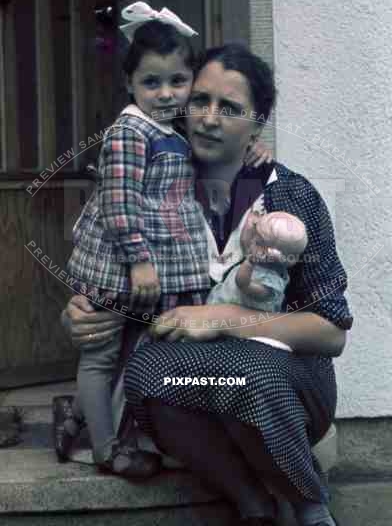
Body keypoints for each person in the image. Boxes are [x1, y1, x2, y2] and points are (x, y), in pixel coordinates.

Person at [62, 43, 351, 526]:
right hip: (197, 382)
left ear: (258, 122)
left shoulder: (290, 195)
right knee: (149, 374)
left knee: (246, 373)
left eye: (230, 108)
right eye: (200, 101)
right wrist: (84, 312)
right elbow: (108, 270)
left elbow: (331, 333)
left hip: (286, 385)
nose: (209, 119)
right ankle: (251, 504)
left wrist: (224, 319)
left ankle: (308, 505)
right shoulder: (155, 185)